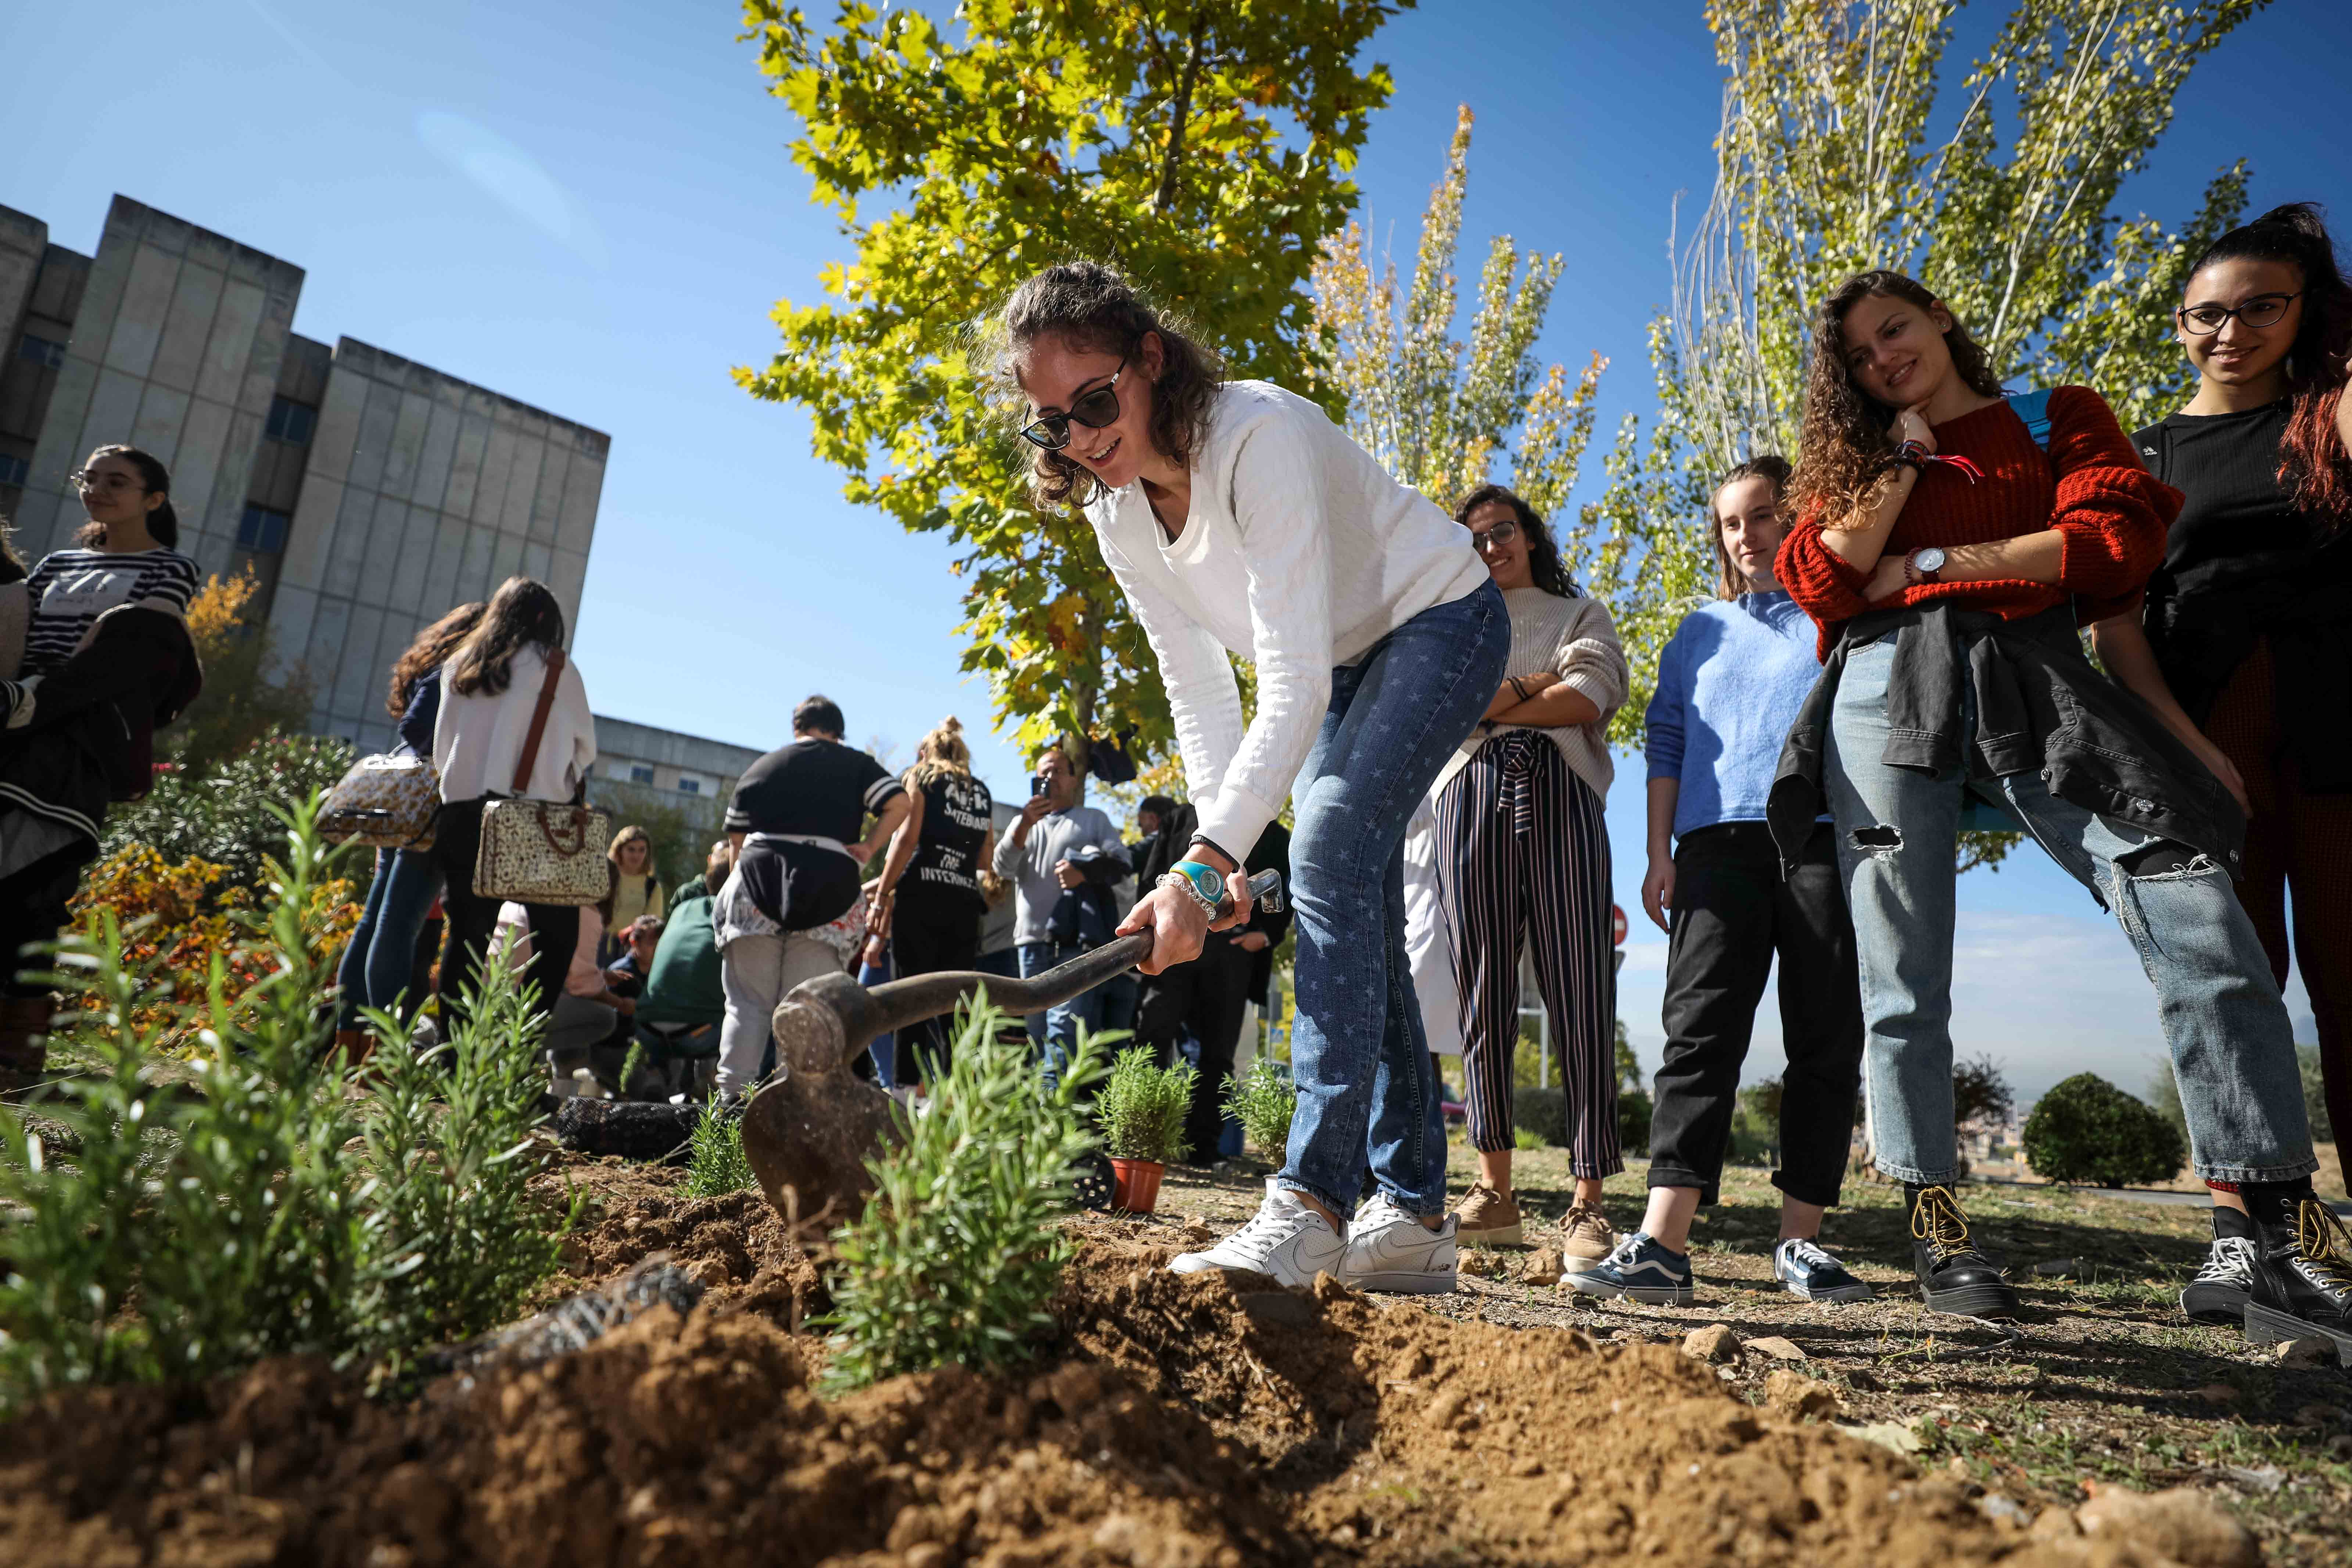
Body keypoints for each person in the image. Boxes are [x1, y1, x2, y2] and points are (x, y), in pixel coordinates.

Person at [1768, 268, 2338, 1336]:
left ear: (1939, 314)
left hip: (2038, 673)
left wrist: (1930, 559)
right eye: (1857, 355)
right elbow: (1828, 581)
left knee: (2191, 899)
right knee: (1903, 967)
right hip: (1884, 686)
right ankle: (1938, 1229)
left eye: (1894, 329)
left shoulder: (2054, 416)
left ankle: (2275, 1237)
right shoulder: (1857, 460)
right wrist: (1900, 460)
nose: (1883, 356)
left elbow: (2113, 542)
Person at [991, 261, 1507, 1291]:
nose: (1084, 437)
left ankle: (1314, 1199)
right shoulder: (1117, 515)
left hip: (1442, 617)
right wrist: (1215, 856)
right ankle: (1411, 1216)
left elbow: (1292, 676)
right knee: (1336, 878)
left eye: (1096, 401)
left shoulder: (1255, 434)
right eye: (1054, 424)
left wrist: (1200, 866)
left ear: (1151, 360)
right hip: (1349, 662)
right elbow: (1199, 692)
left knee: (1329, 846)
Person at [2083, 204, 2352, 1327]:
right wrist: (2190, 752)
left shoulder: (2328, 422)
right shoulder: (2143, 457)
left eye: (2260, 307)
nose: (2230, 330)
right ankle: (2245, 1235)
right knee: (2225, 987)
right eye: (2206, 312)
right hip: (2200, 741)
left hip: (2338, 731)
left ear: (2304, 313)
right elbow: (2114, 623)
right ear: (2178, 323)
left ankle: (2331, 1248)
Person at [1567, 456, 1870, 1309]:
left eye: (1764, 515)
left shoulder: (1838, 615)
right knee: (1698, 1036)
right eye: (1732, 523)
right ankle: (1663, 1244)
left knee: (1823, 1038)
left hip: (1819, 840)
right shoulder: (1697, 629)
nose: (1746, 536)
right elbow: (1666, 743)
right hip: (1712, 849)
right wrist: (1659, 852)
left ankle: (1800, 1242)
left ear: (1798, 517)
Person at [1431, 484, 1627, 1259]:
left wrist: (1494, 702)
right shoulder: (1453, 623)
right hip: (1468, 799)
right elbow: (1447, 706)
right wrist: (1535, 685)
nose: (1490, 548)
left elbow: (1589, 696)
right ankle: (1494, 1188)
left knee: (1580, 990)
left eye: (1501, 531)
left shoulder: (1582, 616)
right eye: (1473, 541)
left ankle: (1587, 1200)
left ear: (1531, 536)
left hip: (1562, 797)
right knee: (1482, 991)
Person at [0, 446, 202, 1088]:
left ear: (153, 499)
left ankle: (19, 1056)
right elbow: (18, 631)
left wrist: (40, 695)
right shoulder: (57, 563)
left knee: (40, 887)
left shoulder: (170, 568)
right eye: (89, 477)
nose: (98, 490)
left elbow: (129, 655)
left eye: (118, 481)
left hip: (81, 735)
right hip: (15, 724)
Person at [712, 695, 908, 1099]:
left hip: (757, 880)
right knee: (804, 1011)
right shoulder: (855, 764)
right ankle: (791, 1109)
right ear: (838, 731)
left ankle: (729, 1106)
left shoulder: (765, 765)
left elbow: (736, 838)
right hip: (830, 887)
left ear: (797, 727)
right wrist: (870, 847)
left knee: (747, 1005)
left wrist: (741, 885)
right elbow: (899, 802)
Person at [429, 576, 596, 1036]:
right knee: (556, 939)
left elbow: (442, 751)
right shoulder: (556, 669)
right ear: (546, 619)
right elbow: (585, 752)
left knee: (465, 940)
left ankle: (452, 1058)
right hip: (532, 821)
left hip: (461, 815)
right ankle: (515, 1050)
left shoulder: (461, 664)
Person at [332, 601, 484, 1057]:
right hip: (429, 806)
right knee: (399, 924)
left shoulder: (435, 662)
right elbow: (418, 728)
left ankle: (348, 1044)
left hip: (402, 805)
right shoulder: (459, 669)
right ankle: (383, 1051)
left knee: (377, 921)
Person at [989, 741, 1130, 1083]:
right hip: (1030, 945)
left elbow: (1123, 864)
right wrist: (1024, 823)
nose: (1050, 777)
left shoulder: (1093, 819)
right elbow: (1002, 868)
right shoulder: (1025, 825)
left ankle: (1050, 1124)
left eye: (1057, 771)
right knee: (1039, 1041)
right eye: (1043, 772)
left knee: (1063, 1039)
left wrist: (1086, 874)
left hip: (1075, 944)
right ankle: (1047, 1124)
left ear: (1073, 781)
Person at [867, 717, 997, 1087]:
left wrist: (882, 895)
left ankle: (906, 1096)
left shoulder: (921, 776)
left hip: (921, 898)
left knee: (911, 998)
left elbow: (906, 840)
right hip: (964, 904)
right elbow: (986, 860)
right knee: (957, 1007)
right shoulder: (981, 790)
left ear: (924, 753)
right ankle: (958, 1098)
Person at [633, 841, 731, 1094]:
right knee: (752, 1014)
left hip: (646, 1029)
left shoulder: (682, 909)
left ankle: (657, 1071)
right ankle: (710, 1078)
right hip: (696, 1034)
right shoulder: (733, 917)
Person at [603, 826, 664, 961]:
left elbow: (653, 925)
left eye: (642, 850)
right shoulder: (605, 877)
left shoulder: (653, 887)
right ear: (620, 850)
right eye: (631, 849)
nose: (636, 855)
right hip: (599, 945)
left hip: (632, 950)